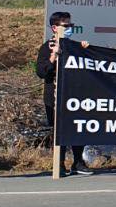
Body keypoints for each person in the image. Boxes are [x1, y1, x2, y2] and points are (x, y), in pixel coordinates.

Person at [36, 11, 92, 176]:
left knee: (77, 128)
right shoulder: (46, 47)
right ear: (55, 28)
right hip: (53, 96)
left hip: (74, 95)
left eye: (71, 25)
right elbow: (41, 71)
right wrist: (54, 56)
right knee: (58, 130)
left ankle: (78, 162)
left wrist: (85, 51)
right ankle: (58, 164)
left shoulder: (73, 46)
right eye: (66, 26)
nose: (69, 28)